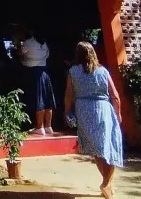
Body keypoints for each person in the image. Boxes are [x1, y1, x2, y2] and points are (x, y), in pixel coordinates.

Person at [64, 41, 123, 199]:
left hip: (83, 109)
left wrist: (67, 111)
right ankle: (106, 183)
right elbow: (115, 95)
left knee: (97, 149)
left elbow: (69, 94)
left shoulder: (73, 72)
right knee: (109, 146)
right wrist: (118, 113)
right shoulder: (102, 71)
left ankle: (107, 183)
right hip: (102, 108)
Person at [16, 29, 55, 136]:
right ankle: (48, 126)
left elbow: (20, 53)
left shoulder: (29, 43)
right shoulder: (45, 44)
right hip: (44, 72)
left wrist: (19, 45)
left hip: (33, 73)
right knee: (47, 100)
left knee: (40, 100)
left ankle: (39, 127)